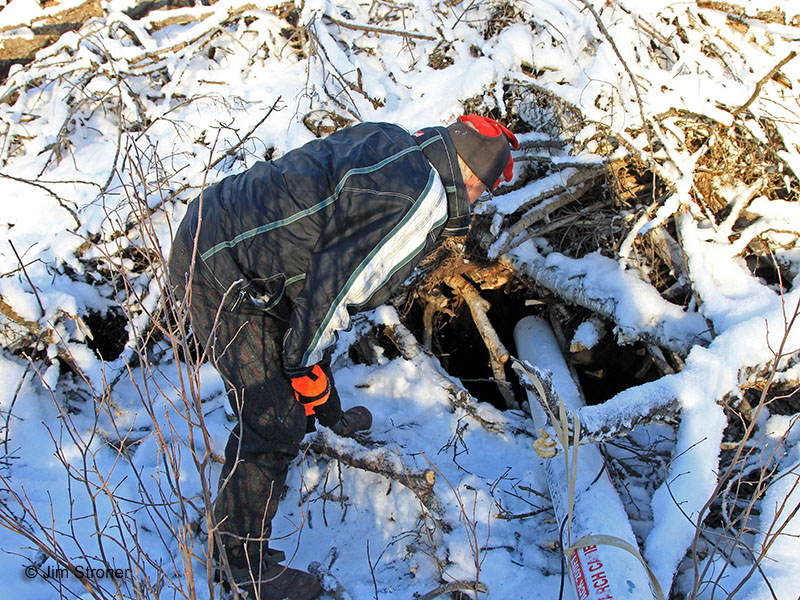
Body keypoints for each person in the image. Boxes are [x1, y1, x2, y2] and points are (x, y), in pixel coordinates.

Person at [167, 114, 518, 600]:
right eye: (486, 189)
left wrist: (312, 372)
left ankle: (330, 421)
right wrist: (302, 365)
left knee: (307, 343)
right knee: (272, 417)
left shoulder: (397, 145)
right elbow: (335, 290)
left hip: (235, 243)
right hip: (218, 265)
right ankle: (241, 563)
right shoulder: (421, 200)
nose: (480, 200)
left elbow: (324, 273)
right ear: (475, 179)